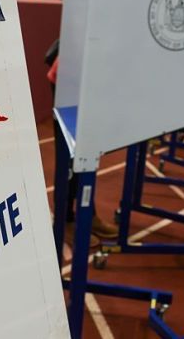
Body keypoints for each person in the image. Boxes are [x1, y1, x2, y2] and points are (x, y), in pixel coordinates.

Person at [46, 44, 117, 247]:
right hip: (68, 91)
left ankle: (88, 214)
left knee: (87, 159)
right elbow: (58, 74)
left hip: (89, 92)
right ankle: (64, 220)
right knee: (70, 162)